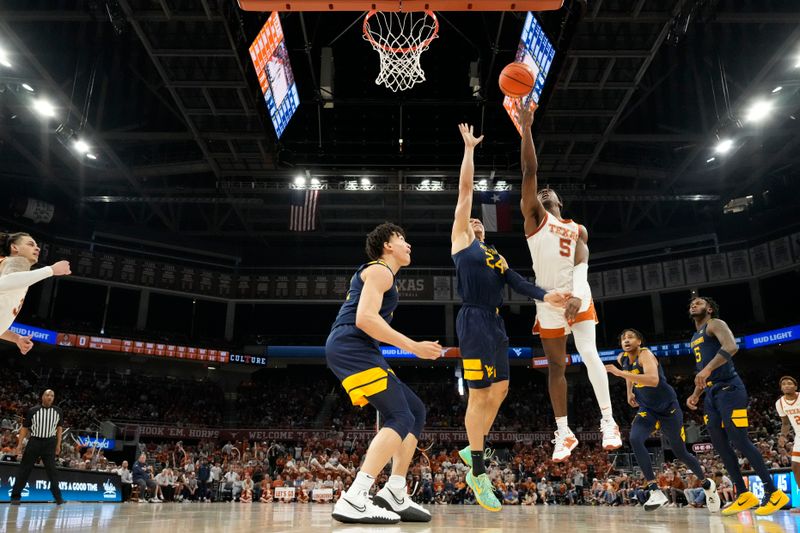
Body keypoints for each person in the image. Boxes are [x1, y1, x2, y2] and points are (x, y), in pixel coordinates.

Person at [450, 123, 569, 512]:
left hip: (495, 322)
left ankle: (473, 448)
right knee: (480, 394)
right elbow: (467, 191)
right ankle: (478, 473)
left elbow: (516, 280)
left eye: (478, 222)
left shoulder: (494, 253)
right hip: (473, 320)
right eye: (471, 221)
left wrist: (545, 294)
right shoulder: (462, 242)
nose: (475, 223)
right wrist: (470, 150)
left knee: (501, 390)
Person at [517, 108, 621, 461]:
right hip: (547, 300)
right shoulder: (534, 218)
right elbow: (530, 170)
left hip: (578, 292)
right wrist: (527, 128)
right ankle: (563, 432)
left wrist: (578, 295)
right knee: (556, 366)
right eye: (541, 191)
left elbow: (582, 261)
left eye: (550, 191)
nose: (544, 191)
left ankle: (609, 421)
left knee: (590, 353)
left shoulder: (578, 229)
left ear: (560, 201)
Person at [326, 222, 440, 524]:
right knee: (399, 416)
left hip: (360, 347)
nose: (408, 244)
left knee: (415, 410)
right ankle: (355, 496)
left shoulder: (387, 277)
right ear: (387, 245)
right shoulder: (380, 271)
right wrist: (413, 346)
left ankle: (395, 490)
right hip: (352, 345)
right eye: (401, 238)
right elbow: (364, 319)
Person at [685, 296, 789, 515]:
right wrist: (695, 394)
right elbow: (703, 370)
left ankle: (773, 492)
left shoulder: (715, 324)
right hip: (711, 393)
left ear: (710, 308)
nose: (693, 304)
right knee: (721, 446)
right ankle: (743, 494)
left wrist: (707, 370)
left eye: (699, 302)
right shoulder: (695, 336)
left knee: (739, 440)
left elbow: (731, 346)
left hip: (730, 388)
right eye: (692, 304)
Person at [605, 328, 719, 512]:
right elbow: (628, 372)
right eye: (623, 338)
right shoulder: (622, 358)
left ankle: (707, 484)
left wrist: (619, 374)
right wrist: (629, 392)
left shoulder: (646, 355)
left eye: (630, 337)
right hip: (648, 408)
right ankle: (654, 490)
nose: (626, 340)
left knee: (680, 452)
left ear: (639, 341)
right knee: (634, 439)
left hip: (668, 409)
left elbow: (653, 380)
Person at [0, 232, 71, 355]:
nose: (37, 248)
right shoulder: (17, 261)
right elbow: (4, 283)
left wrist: (16, 338)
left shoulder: (18, 272)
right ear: (14, 248)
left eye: (37, 245)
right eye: (30, 244)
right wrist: (51, 270)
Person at [10, 389, 64, 504]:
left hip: (50, 443)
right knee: (25, 469)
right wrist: (20, 444)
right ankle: (15, 497)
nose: (50, 397)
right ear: (42, 397)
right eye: (47, 395)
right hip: (35, 441)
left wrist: (58, 444)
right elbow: (25, 428)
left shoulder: (58, 411)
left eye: (52, 395)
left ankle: (58, 498)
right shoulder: (33, 410)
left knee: (52, 471)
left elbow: (59, 429)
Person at [775, 374, 800, 513]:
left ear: (795, 386)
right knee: (796, 466)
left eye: (790, 383)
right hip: (799, 437)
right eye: (783, 384)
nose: (786, 385)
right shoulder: (780, 403)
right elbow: (785, 423)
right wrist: (783, 436)